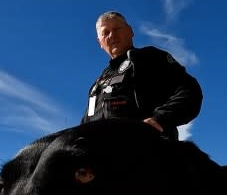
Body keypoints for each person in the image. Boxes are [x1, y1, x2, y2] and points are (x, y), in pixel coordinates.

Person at [82, 11, 203, 141]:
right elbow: (84, 125)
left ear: (130, 31)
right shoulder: (97, 84)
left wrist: (159, 120)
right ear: (100, 42)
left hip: (146, 150)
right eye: (105, 32)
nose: (112, 35)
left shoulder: (149, 58)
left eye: (117, 29)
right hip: (100, 156)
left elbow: (189, 91)